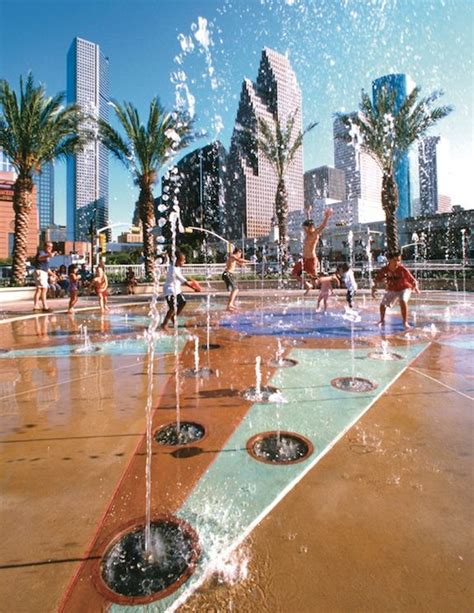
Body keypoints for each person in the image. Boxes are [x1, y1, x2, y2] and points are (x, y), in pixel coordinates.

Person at [372, 251, 420, 329]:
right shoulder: (384, 270)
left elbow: (413, 280)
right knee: (382, 305)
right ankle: (382, 320)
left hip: (405, 288)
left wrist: (416, 287)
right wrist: (373, 289)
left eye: (399, 260)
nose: (397, 262)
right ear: (389, 260)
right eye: (395, 260)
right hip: (392, 289)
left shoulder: (402, 269)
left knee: (403, 300)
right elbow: (376, 280)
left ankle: (405, 322)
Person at [160, 251, 201, 330]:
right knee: (172, 307)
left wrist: (192, 281)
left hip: (176, 290)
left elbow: (181, 278)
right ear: (177, 261)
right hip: (169, 290)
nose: (184, 262)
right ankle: (164, 324)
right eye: (183, 260)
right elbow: (183, 281)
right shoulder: (173, 269)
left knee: (182, 302)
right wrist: (194, 288)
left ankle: (173, 316)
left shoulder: (176, 267)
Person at [302, 208, 333, 294]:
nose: (304, 230)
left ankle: (332, 278)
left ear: (310, 228)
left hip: (311, 259)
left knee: (315, 281)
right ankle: (310, 286)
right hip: (305, 259)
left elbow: (323, 226)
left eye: (305, 228)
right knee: (297, 274)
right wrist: (308, 213)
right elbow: (309, 222)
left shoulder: (315, 233)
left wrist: (327, 217)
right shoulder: (308, 234)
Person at [222, 247, 252, 311]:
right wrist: (249, 261)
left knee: (234, 289)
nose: (240, 255)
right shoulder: (232, 256)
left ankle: (229, 304)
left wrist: (242, 265)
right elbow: (239, 260)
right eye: (240, 254)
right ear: (238, 252)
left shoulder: (233, 258)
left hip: (228, 274)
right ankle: (230, 304)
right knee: (235, 289)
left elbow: (238, 263)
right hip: (227, 274)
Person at [33, 241, 58, 312]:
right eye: (48, 246)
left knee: (40, 289)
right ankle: (45, 306)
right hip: (40, 272)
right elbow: (39, 258)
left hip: (43, 272)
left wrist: (53, 274)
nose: (50, 248)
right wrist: (48, 255)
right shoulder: (42, 253)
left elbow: (46, 268)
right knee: (44, 289)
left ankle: (36, 305)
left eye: (51, 247)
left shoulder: (46, 254)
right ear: (45, 246)